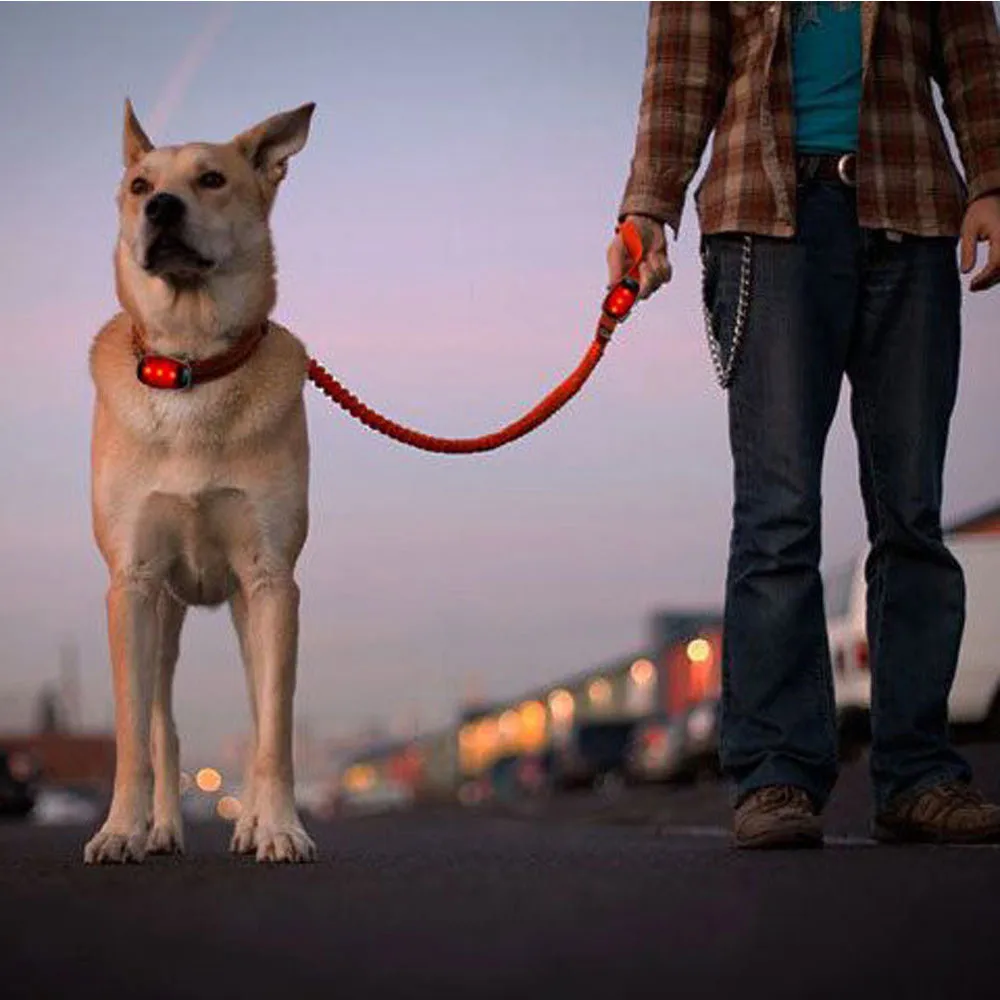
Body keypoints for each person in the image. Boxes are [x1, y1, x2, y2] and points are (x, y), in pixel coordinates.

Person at [608, 2, 1000, 848]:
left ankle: (918, 775)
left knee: (913, 516)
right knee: (778, 515)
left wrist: (993, 181)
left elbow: (970, 48)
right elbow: (680, 72)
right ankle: (777, 775)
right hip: (767, 222)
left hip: (915, 211)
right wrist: (647, 208)